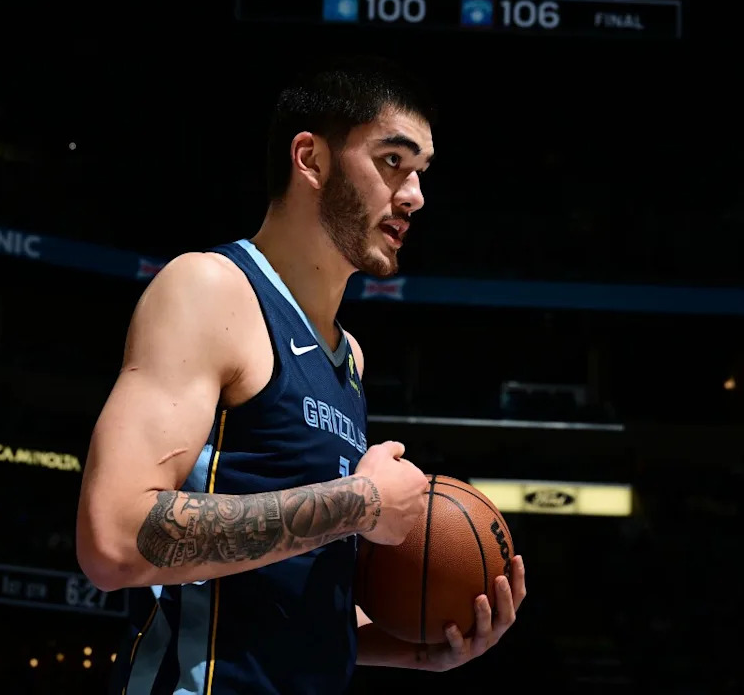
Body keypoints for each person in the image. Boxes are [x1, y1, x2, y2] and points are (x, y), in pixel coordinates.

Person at [76, 55, 526, 695]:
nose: (415, 196)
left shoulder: (350, 358)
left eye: (421, 173)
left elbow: (277, 596)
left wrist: (416, 647)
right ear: (310, 158)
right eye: (392, 161)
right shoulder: (210, 289)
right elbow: (114, 538)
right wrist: (360, 504)